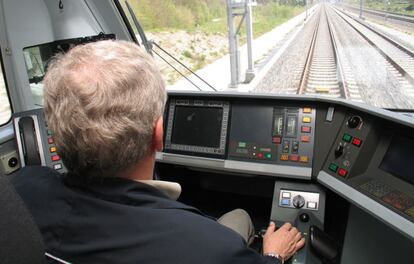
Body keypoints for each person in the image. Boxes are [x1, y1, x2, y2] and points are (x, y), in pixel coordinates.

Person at [12, 40, 304, 264]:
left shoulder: (20, 191)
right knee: (240, 216)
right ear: (159, 134)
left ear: (57, 132)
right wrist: (274, 256)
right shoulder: (212, 248)